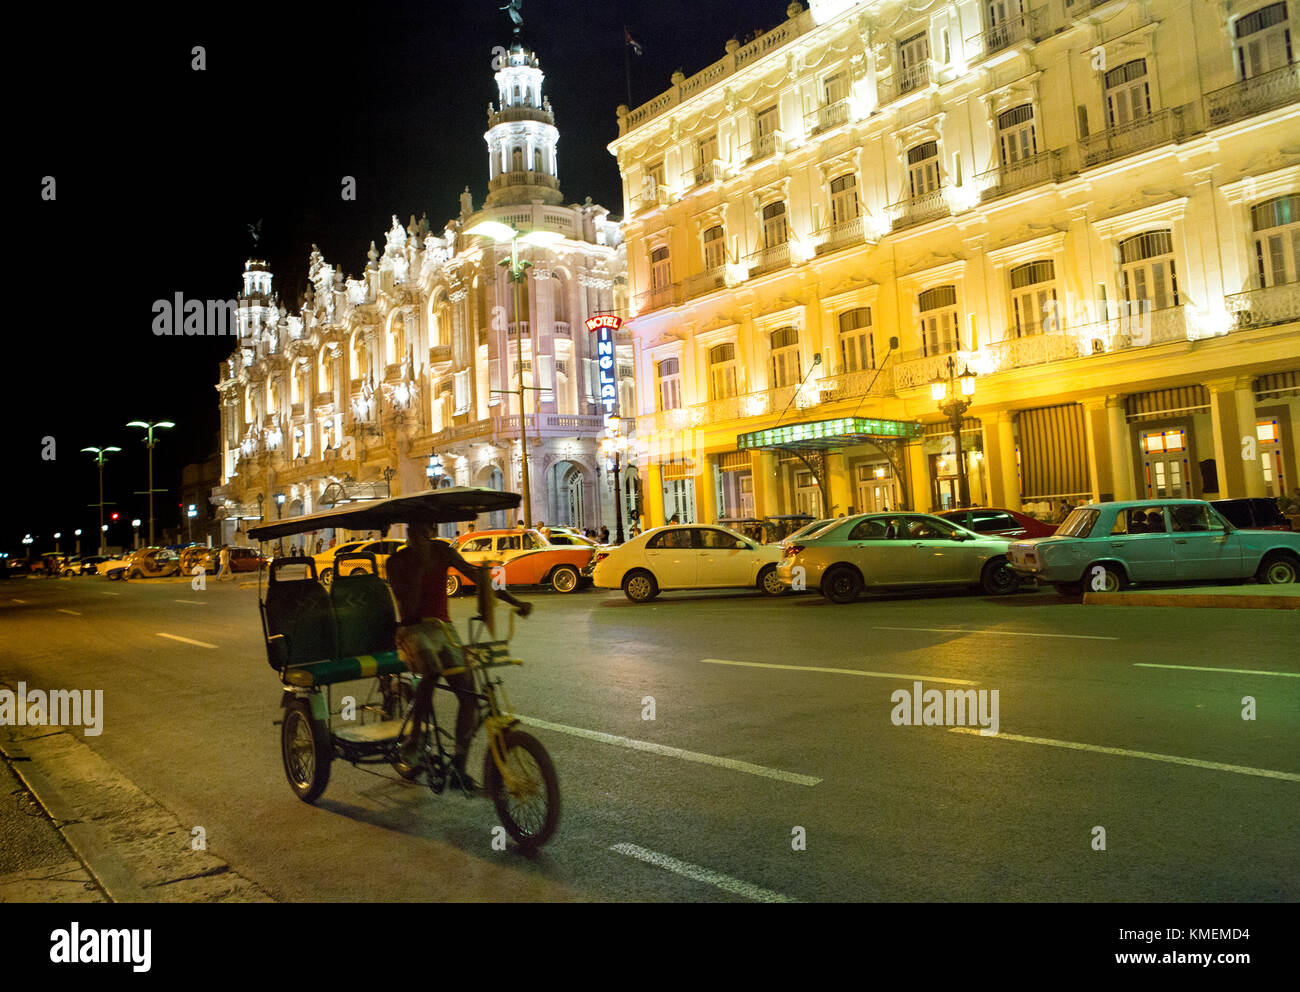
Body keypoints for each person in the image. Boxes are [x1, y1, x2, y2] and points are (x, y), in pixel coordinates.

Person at [387, 521, 533, 791]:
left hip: (443, 629)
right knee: (431, 669)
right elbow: (408, 607)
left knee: (470, 696)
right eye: (412, 531)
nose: (416, 537)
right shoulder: (397, 562)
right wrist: (420, 567)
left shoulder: (443, 551)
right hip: (412, 630)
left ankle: (459, 765)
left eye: (423, 531)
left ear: (431, 532)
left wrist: (515, 602)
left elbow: (479, 578)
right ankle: (416, 737)